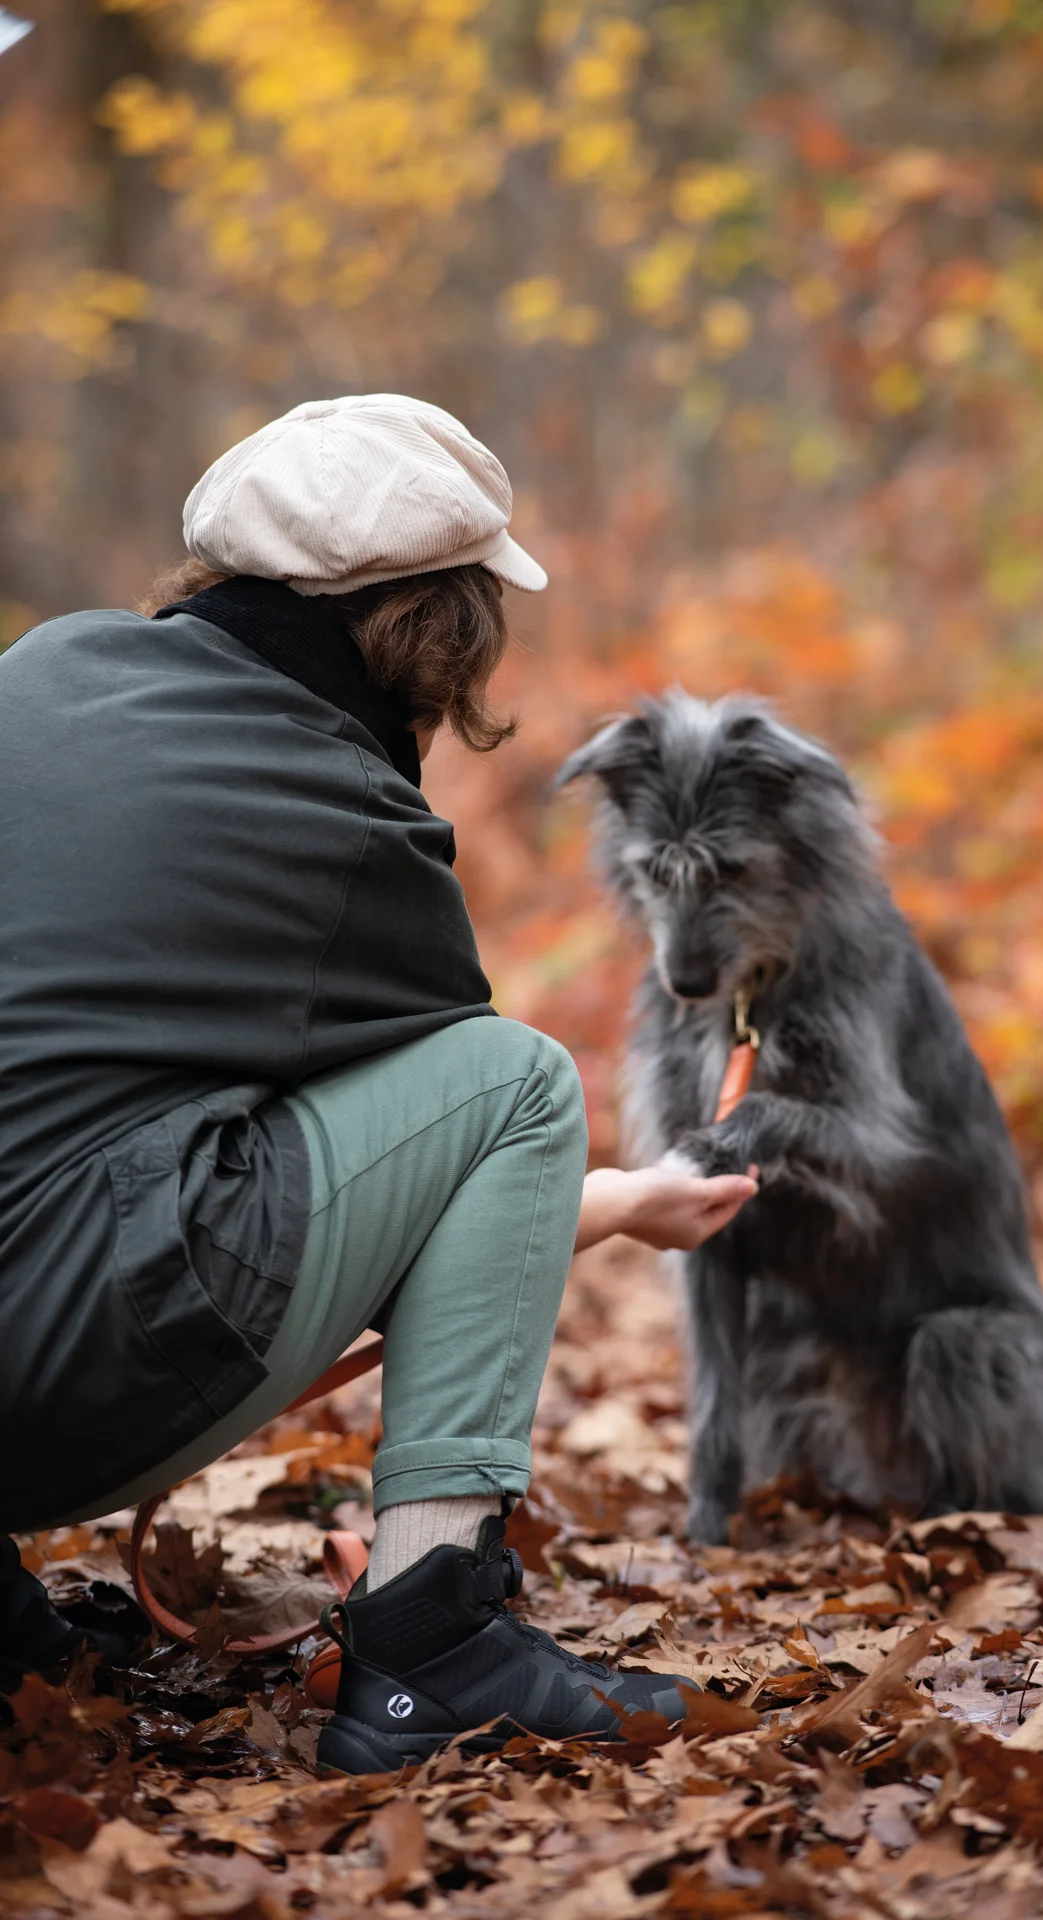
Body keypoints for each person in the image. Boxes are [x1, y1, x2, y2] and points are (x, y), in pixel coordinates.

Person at [0, 394, 757, 1771]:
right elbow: (470, 1177)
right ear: (440, 621)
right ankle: (433, 1645)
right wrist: (624, 1200)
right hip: (46, 1378)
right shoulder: (344, 811)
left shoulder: (39, 674)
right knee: (517, 1080)